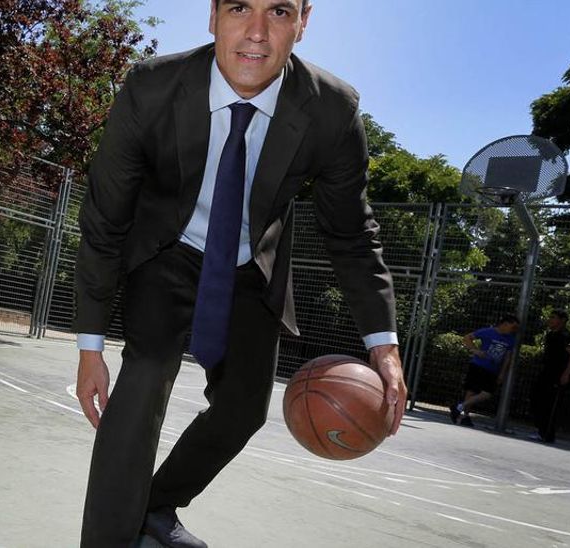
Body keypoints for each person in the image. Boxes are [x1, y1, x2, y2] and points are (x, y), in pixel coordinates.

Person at [72, 1, 406, 546]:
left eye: (277, 11)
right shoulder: (152, 87)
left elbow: (350, 233)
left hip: (252, 260)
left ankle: (156, 506)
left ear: (303, 22)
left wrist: (383, 344)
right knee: (142, 382)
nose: (256, 32)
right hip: (167, 248)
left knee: (244, 409)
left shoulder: (332, 109)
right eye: (239, 8)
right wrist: (89, 345)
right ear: (212, 16)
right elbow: (106, 218)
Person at [451, 315, 520, 428]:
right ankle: (464, 416)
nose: (514, 330)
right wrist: (476, 351)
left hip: (492, 369)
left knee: (487, 394)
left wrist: (502, 373)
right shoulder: (488, 332)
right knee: (471, 391)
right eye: (513, 327)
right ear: (505, 324)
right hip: (478, 365)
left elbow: (508, 357)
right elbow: (467, 338)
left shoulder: (510, 339)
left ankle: (459, 407)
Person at [530, 310, 570, 443]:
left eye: (553, 317)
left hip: (557, 375)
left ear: (562, 320)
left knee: (550, 404)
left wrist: (566, 374)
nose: (550, 320)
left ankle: (547, 434)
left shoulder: (566, 336)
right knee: (537, 400)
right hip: (547, 372)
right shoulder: (550, 334)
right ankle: (541, 430)